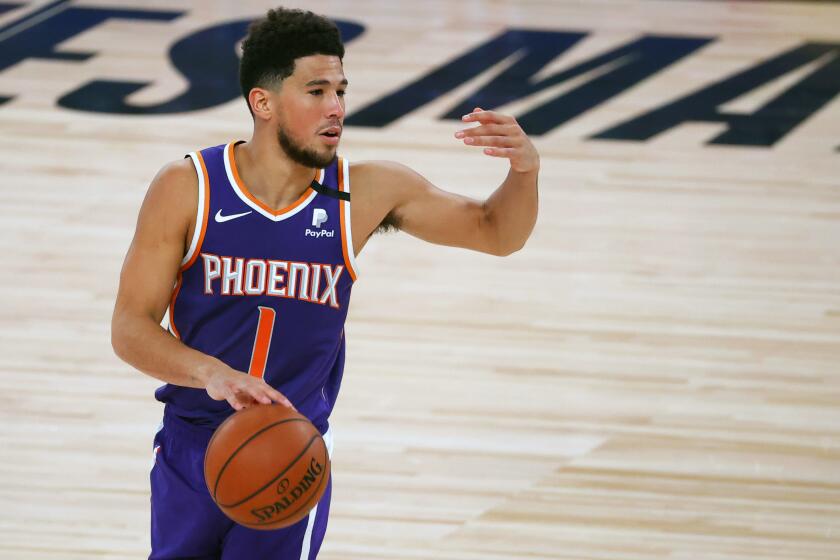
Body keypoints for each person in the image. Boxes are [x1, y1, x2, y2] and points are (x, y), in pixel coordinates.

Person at [111, 6, 539, 560]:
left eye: (341, 90)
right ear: (262, 103)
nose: (336, 107)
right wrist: (210, 374)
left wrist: (525, 171)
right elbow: (129, 327)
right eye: (316, 91)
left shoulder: (366, 192)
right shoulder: (189, 187)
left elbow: (496, 232)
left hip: (290, 452)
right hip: (190, 444)